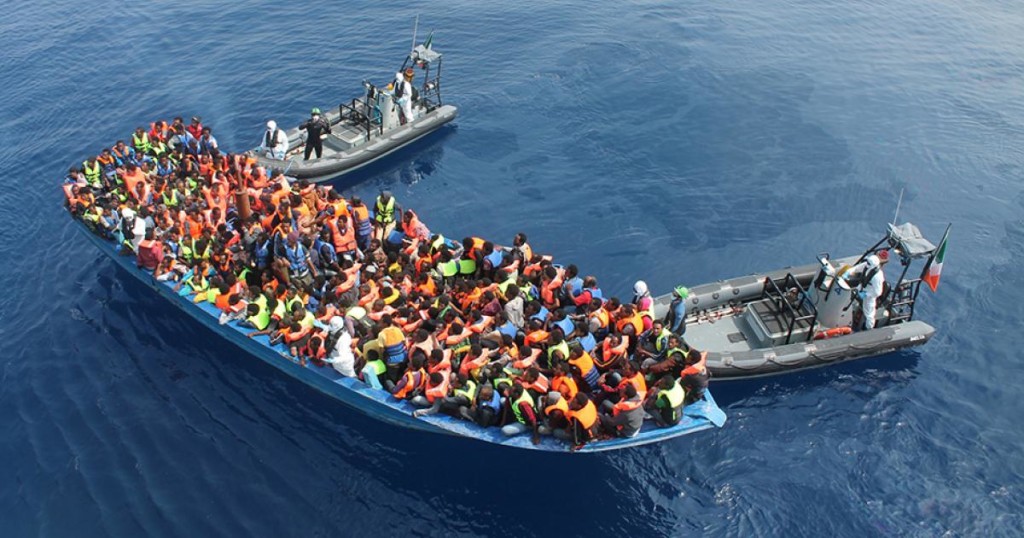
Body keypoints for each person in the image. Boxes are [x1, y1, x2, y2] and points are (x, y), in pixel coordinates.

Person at [846, 251, 889, 330]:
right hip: (861, 287)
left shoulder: (877, 276)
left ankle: (868, 328)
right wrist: (848, 272)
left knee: (869, 314)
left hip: (870, 294)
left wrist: (866, 294)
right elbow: (856, 268)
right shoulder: (867, 265)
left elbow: (878, 292)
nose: (867, 264)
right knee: (849, 298)